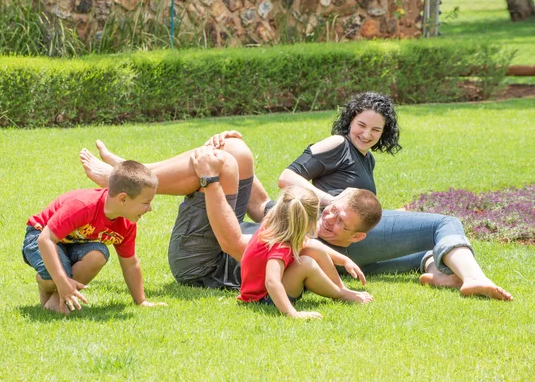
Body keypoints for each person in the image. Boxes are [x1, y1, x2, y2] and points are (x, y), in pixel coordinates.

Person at [240, 91, 511, 301]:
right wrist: (332, 202)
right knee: (445, 223)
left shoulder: (366, 159)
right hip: (332, 231)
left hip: (347, 239)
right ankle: (474, 278)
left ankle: (440, 274)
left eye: (376, 130)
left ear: (384, 133)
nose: (366, 134)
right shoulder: (338, 144)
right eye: (361, 124)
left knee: (421, 249)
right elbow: (287, 178)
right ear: (350, 120)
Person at [80, 140, 379, 292]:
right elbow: (260, 204)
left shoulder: (312, 250)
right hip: (219, 240)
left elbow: (233, 244)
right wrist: (231, 146)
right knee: (236, 152)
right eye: (334, 210)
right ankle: (132, 173)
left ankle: (124, 180)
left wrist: (211, 180)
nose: (330, 219)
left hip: (201, 265)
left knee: (220, 164)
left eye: (341, 223)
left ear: (357, 237)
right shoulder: (301, 212)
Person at [22, 160, 167, 315]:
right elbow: (45, 239)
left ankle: (56, 302)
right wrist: (61, 279)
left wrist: (141, 301)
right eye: (146, 202)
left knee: (98, 254)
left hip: (72, 243)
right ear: (123, 199)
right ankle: (47, 284)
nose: (150, 208)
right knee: (56, 274)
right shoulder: (83, 206)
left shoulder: (126, 224)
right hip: (40, 236)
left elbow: (130, 264)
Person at [238, 185, 373, 320]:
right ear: (310, 221)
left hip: (262, 292)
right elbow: (271, 281)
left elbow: (311, 244)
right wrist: (293, 314)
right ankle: (339, 294)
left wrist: (344, 260)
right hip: (263, 298)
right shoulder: (280, 246)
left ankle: (342, 289)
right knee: (306, 264)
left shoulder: (274, 225)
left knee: (315, 249)